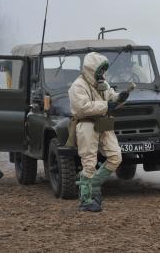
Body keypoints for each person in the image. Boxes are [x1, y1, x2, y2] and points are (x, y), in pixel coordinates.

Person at [68, 52, 130, 212]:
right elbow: (82, 107)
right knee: (89, 162)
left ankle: (94, 184)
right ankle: (86, 199)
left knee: (116, 157)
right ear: (91, 70)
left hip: (103, 123)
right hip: (86, 125)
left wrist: (121, 98)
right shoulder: (78, 86)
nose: (102, 74)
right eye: (100, 71)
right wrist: (106, 106)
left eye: (104, 70)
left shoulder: (104, 85)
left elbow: (111, 98)